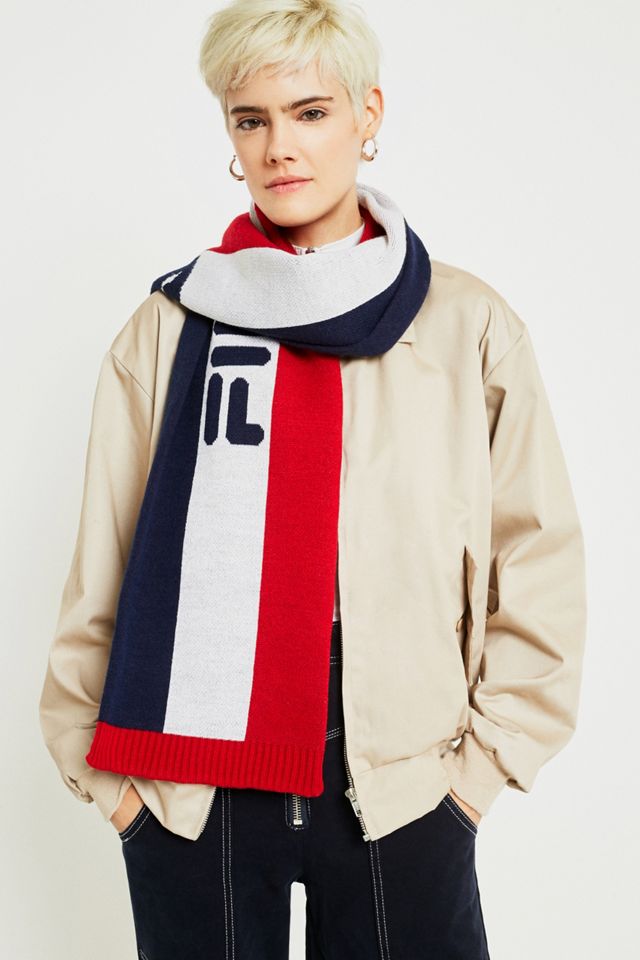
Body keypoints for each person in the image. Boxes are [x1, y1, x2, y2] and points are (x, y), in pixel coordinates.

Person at [38, 1, 587, 957]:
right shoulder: (168, 327)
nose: (280, 147)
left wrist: (475, 779)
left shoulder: (464, 324)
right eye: (251, 119)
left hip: (401, 781)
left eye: (311, 112)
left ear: (368, 114)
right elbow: (103, 566)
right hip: (194, 788)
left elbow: (536, 559)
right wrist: (113, 790)